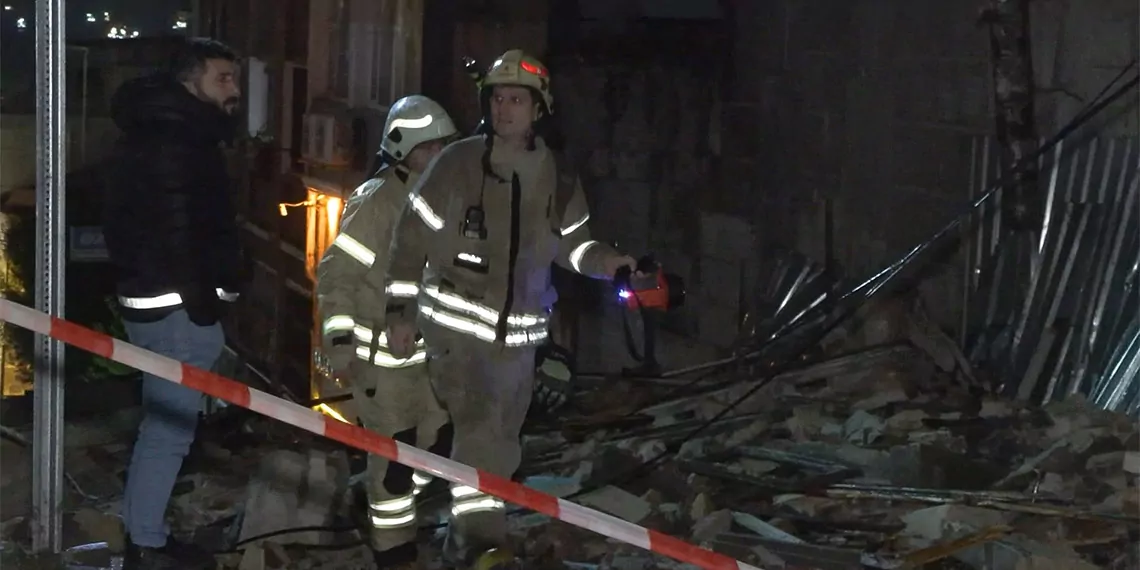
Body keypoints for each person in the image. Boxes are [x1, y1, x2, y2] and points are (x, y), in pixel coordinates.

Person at [383, 49, 638, 568]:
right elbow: (410, 238)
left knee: (501, 443)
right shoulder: (457, 164)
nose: (504, 109)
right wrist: (400, 312)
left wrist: (610, 263)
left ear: (538, 108)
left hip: (517, 344)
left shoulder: (557, 177)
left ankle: (463, 538)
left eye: (516, 99)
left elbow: (575, 244)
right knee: (479, 434)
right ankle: (482, 544)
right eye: (497, 98)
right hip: (456, 331)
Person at [102, 37, 244, 570]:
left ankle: (148, 536)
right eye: (222, 78)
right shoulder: (177, 141)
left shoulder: (165, 133)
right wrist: (204, 305)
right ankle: (147, 545)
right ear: (190, 82)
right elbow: (180, 229)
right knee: (168, 433)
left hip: (162, 304)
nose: (234, 90)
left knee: (167, 428)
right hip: (178, 312)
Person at [313, 95, 458, 569]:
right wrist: (338, 346)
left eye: (445, 146)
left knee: (438, 443)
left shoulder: (444, 198)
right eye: (430, 147)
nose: (440, 156)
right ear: (404, 150)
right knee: (394, 468)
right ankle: (393, 554)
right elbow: (337, 276)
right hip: (382, 363)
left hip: (432, 358)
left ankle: (385, 514)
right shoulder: (378, 202)